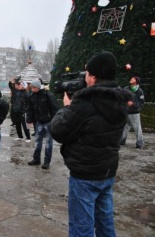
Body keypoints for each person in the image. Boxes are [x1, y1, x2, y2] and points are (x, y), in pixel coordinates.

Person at [49, 51, 131, 236]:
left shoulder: (84, 105)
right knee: (105, 223)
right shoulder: (119, 101)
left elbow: (58, 131)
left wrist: (67, 107)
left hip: (85, 175)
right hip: (107, 171)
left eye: (86, 74)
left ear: (93, 78)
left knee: (81, 227)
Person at [26, 80, 59, 169]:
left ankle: (46, 161)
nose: (32, 89)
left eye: (34, 87)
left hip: (49, 122)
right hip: (39, 121)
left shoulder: (48, 95)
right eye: (32, 87)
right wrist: (29, 120)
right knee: (37, 141)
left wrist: (54, 121)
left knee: (48, 143)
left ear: (38, 87)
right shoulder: (31, 96)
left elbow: (55, 109)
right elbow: (30, 109)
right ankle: (36, 159)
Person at [120, 76, 145, 149]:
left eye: (133, 79)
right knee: (125, 127)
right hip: (126, 112)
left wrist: (133, 104)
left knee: (137, 128)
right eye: (131, 78)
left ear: (136, 81)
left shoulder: (139, 91)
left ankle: (139, 143)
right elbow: (121, 98)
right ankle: (122, 141)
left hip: (134, 113)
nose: (131, 79)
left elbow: (141, 103)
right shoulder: (126, 89)